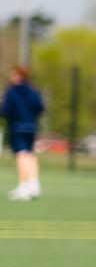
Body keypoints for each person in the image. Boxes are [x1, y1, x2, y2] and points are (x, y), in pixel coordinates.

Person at [2, 66, 45, 201]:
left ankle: (23, 186)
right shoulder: (33, 90)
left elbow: (5, 110)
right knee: (30, 154)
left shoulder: (12, 91)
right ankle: (34, 185)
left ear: (18, 76)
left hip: (17, 127)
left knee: (21, 155)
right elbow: (40, 107)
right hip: (31, 126)